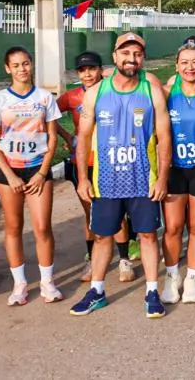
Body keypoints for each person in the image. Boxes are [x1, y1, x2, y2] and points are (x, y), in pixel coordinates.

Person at [70, 32, 172, 318]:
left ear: (143, 58)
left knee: (148, 235)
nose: (131, 59)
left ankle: (152, 292)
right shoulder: (96, 93)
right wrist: (82, 178)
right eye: (125, 53)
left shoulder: (151, 90)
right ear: (114, 57)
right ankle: (97, 291)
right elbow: (83, 136)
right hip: (107, 181)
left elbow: (164, 137)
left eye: (137, 54)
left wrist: (162, 178)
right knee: (103, 236)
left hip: (144, 179)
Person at [0, 46, 64, 306]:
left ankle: (47, 282)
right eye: (16, 65)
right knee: (14, 227)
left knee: (42, 227)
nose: (22, 69)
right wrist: (10, 175)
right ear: (8, 69)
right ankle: (19, 284)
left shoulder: (44, 98)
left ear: (32, 65)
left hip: (37, 168)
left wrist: (42, 172)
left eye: (26, 63)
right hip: (10, 171)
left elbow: (52, 137)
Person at [58, 52, 134, 284]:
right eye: (82, 70)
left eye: (92, 68)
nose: (87, 74)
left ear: (101, 69)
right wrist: (68, 135)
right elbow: (49, 114)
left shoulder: (111, 92)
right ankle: (92, 260)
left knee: (118, 212)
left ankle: (124, 260)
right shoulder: (72, 97)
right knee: (91, 215)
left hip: (110, 162)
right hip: (84, 163)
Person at [160, 41, 195, 305]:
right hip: (173, 168)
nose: (190, 67)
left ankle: (192, 278)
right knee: (172, 227)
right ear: (177, 66)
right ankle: (172, 277)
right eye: (184, 62)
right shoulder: (166, 93)